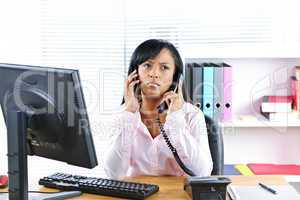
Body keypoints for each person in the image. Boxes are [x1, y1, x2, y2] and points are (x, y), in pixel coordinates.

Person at [104, 39, 212, 179]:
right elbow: (113, 174)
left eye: (164, 67)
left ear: (176, 77)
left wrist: (176, 117)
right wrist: (129, 114)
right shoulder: (122, 115)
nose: (154, 74)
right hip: (136, 194)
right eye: (147, 65)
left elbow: (203, 173)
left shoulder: (192, 115)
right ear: (135, 72)